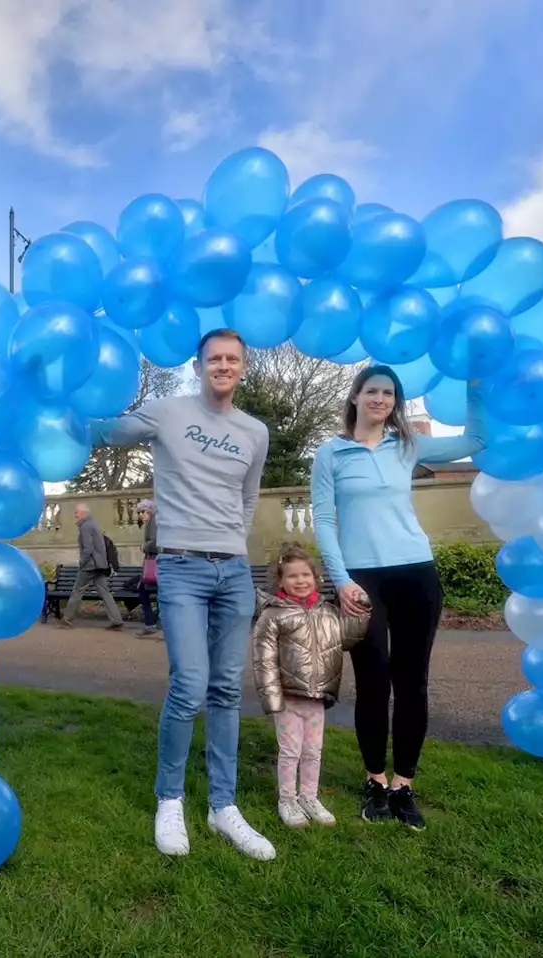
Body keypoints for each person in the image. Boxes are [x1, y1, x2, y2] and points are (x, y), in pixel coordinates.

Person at [91, 328, 273, 860]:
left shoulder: (254, 431)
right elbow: (107, 432)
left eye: (232, 358)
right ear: (198, 366)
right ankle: (168, 799)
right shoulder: (166, 412)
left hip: (233, 572)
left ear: (242, 366)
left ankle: (223, 807)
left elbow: (250, 495)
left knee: (226, 691)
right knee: (189, 685)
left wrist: (232, 544)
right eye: (214, 358)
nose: (223, 365)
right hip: (182, 571)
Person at [310, 365, 486, 831]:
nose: (381, 399)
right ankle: (374, 779)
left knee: (413, 682)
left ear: (395, 402)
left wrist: (475, 387)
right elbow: (325, 522)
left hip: (416, 574)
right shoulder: (331, 453)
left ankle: (403, 785)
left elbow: (476, 443)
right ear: (355, 396)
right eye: (373, 391)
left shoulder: (407, 445)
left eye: (389, 393)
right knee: (373, 680)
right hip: (362, 580)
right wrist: (342, 579)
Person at [252, 543, 367, 829]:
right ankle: (287, 800)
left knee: (313, 751)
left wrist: (362, 611)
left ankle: (309, 797)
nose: (301, 581)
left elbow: (347, 640)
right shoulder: (272, 615)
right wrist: (271, 698)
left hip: (317, 698)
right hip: (289, 698)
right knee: (290, 751)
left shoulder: (327, 611)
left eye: (306, 575)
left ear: (316, 578)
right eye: (292, 576)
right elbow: (263, 659)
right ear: (280, 581)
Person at [53, 503, 123, 631]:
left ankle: (67, 619)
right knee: (104, 592)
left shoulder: (85, 526)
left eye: (76, 512)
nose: (75, 515)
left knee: (77, 590)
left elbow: (88, 549)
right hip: (100, 564)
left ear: (83, 513)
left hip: (90, 565)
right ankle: (117, 621)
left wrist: (82, 562)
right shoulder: (93, 524)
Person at [136, 499, 159, 638]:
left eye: (142, 511)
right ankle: (153, 623)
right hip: (154, 563)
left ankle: (151, 624)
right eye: (139, 512)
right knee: (152, 592)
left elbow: (155, 543)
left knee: (143, 591)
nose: (140, 515)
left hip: (154, 563)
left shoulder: (153, 522)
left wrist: (143, 547)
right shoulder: (152, 522)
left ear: (149, 510)